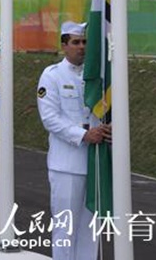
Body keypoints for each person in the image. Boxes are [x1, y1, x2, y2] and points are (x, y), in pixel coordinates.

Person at [37, 22, 111, 260]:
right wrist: (83, 135)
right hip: (66, 166)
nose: (81, 47)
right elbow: (50, 118)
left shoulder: (96, 77)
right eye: (76, 42)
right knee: (65, 229)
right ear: (64, 45)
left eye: (84, 42)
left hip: (93, 162)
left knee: (90, 231)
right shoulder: (52, 76)